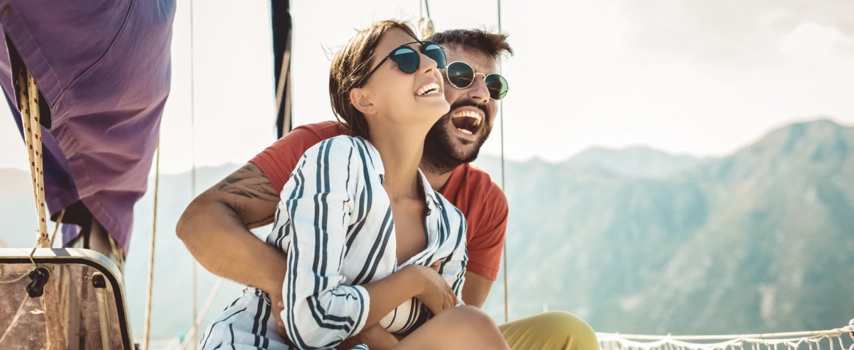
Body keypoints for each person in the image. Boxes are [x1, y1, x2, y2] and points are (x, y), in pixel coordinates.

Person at [178, 28, 598, 350]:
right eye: (461, 75)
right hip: (296, 330)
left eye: (493, 87)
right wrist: (301, 292)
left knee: (565, 334)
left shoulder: (478, 207)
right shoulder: (326, 150)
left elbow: (441, 319)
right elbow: (200, 222)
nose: (480, 94)